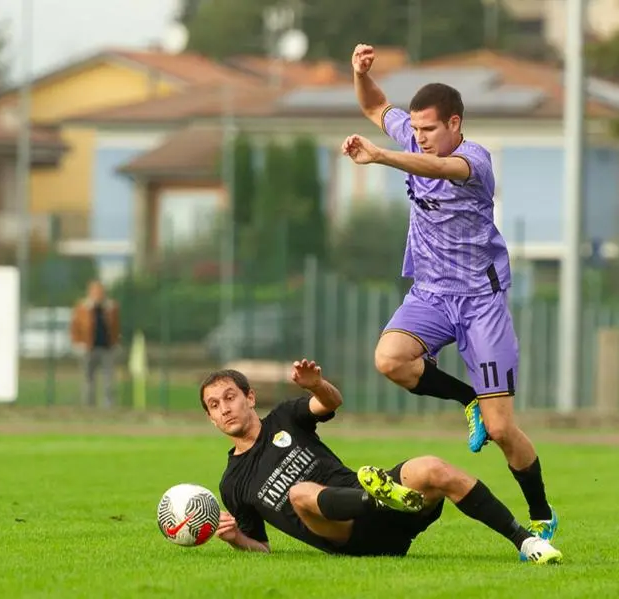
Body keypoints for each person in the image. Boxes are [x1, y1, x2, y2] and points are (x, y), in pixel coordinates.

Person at [343, 43, 558, 542]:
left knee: (504, 430)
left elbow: (440, 171)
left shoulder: (473, 160)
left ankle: (543, 516)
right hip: (432, 293)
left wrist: (380, 157)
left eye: (429, 130)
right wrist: (359, 74)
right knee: (390, 359)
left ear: (455, 124)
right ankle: (468, 399)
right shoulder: (414, 138)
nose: (420, 139)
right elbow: (375, 105)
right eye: (415, 130)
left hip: (480, 302)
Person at [207, 358, 562, 563]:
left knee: (434, 467)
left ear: (250, 398)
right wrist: (236, 537)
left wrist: (317, 385)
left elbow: (330, 403)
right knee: (299, 494)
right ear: (211, 418)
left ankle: (526, 542)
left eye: (230, 397)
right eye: (215, 405)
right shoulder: (233, 483)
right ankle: (378, 496)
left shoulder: (284, 418)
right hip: (348, 538)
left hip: (387, 515)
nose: (225, 409)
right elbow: (262, 548)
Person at [70, 280, 120, 407]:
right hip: (88, 349)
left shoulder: (111, 307)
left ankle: (108, 406)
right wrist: (78, 343)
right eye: (95, 291)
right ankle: (88, 406)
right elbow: (75, 327)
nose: (98, 294)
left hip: (106, 349)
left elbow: (115, 327)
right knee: (88, 379)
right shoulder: (82, 307)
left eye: (100, 291)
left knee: (108, 379)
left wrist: (115, 343)